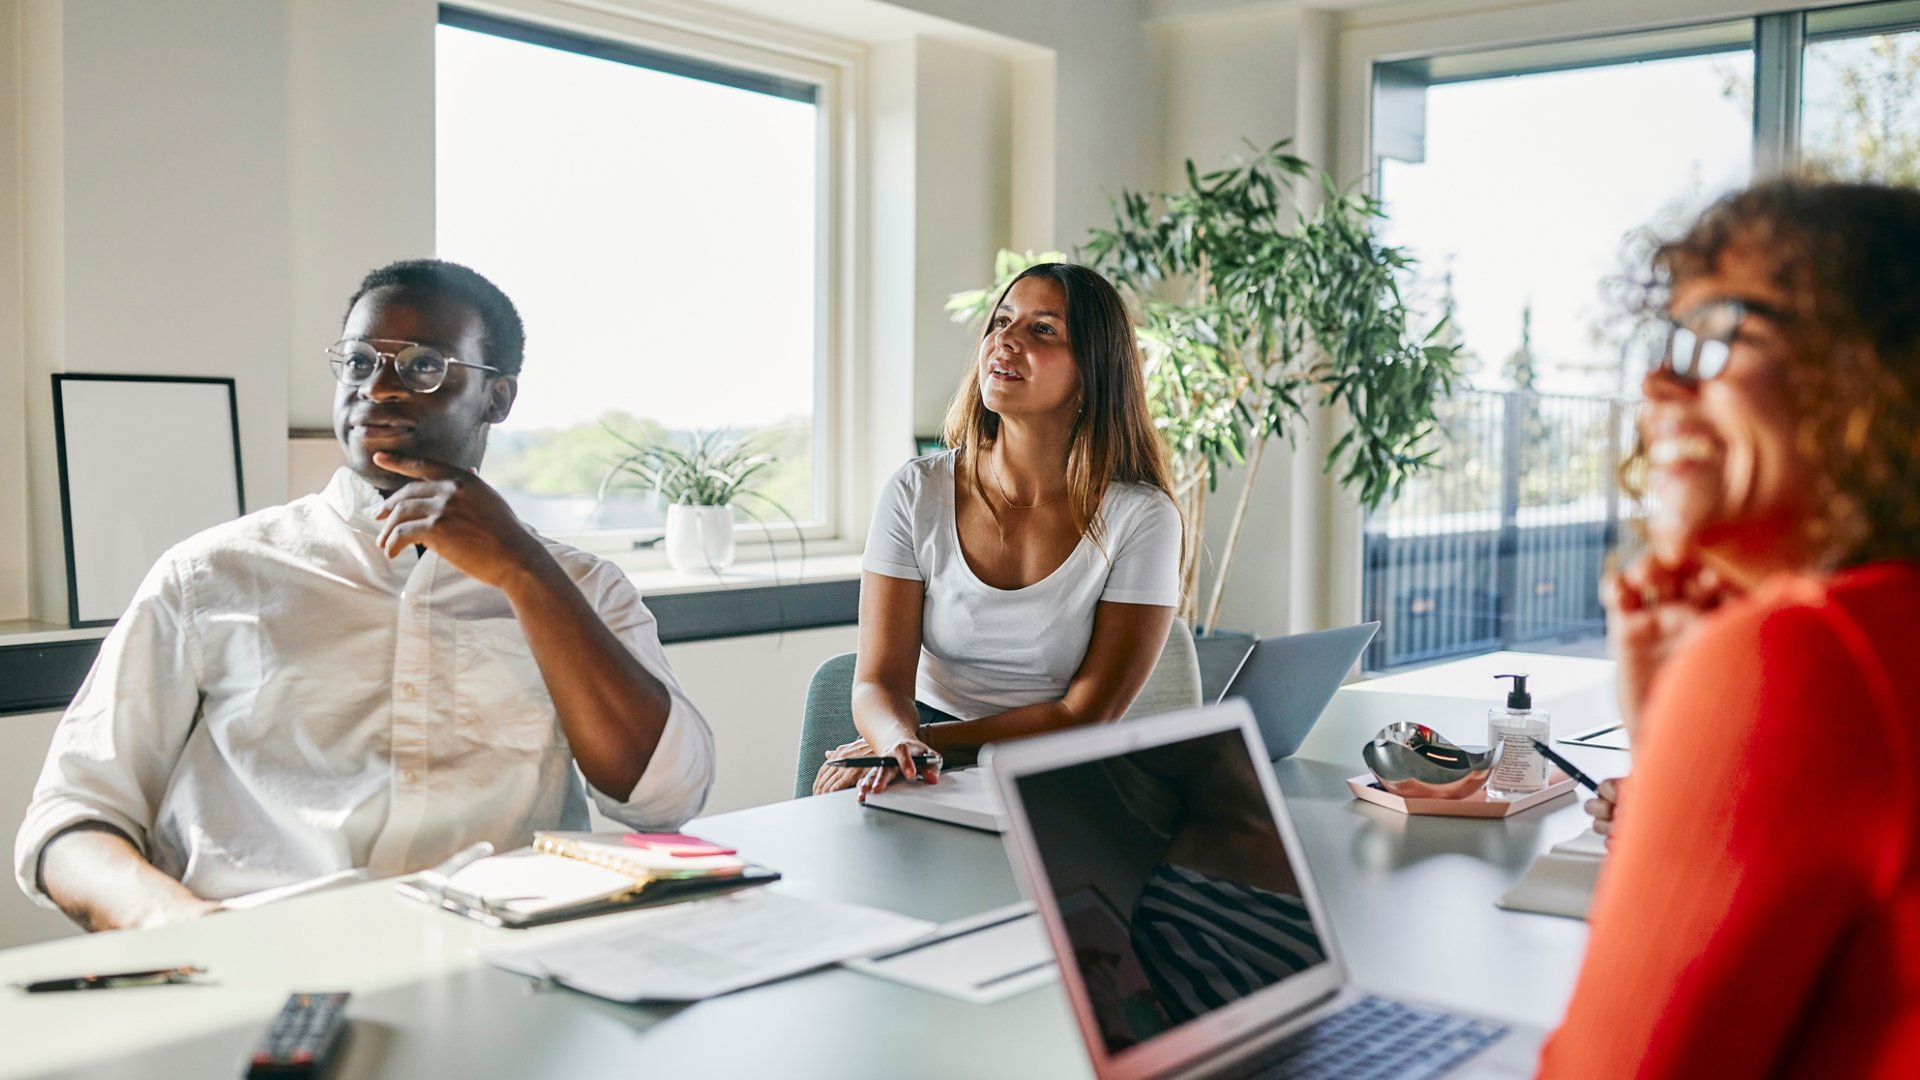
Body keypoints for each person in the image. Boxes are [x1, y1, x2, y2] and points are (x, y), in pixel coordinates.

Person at [14, 259, 714, 931]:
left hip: (496, 964)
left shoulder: (583, 587)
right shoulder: (210, 576)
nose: (377, 387)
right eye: (357, 362)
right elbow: (71, 819)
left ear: (497, 397)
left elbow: (664, 799)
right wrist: (181, 927)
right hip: (258, 953)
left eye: (422, 365)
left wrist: (524, 571)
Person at [1541, 181, 1920, 1077]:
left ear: (1873, 370)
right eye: (1668, 339)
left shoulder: (1809, 654)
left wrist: (1723, 701)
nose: (1658, 381)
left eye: (1718, 334)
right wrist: (1671, 740)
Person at [813, 262, 1182, 798]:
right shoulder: (917, 492)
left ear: (1092, 371)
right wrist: (897, 743)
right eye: (1002, 321)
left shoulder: (1142, 517)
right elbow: (878, 681)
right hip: (925, 752)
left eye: (1042, 329)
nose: (1004, 340)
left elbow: (1085, 716)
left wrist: (931, 742)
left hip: (1062, 766)